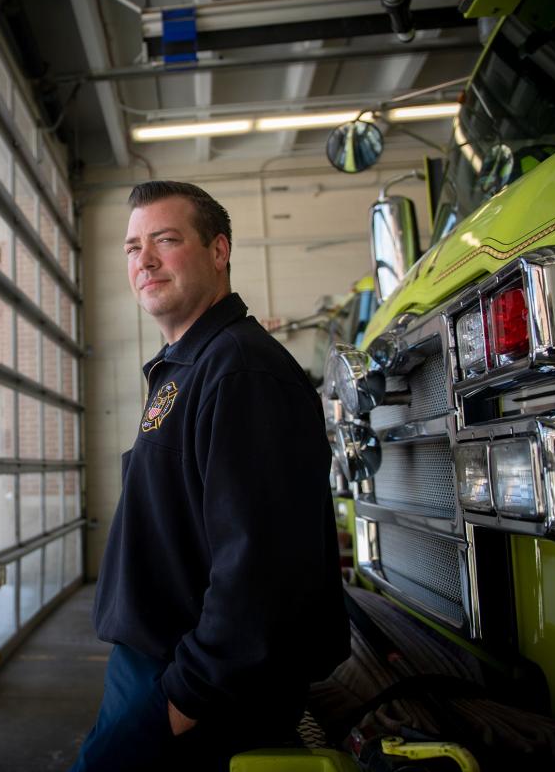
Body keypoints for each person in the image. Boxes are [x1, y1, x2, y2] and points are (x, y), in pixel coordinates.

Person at [70, 181, 349, 771]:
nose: (143, 260)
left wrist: (184, 698)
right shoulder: (189, 368)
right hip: (158, 665)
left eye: (165, 241)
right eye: (131, 247)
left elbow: (261, 569)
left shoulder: (241, 372)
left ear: (219, 250)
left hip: (191, 684)